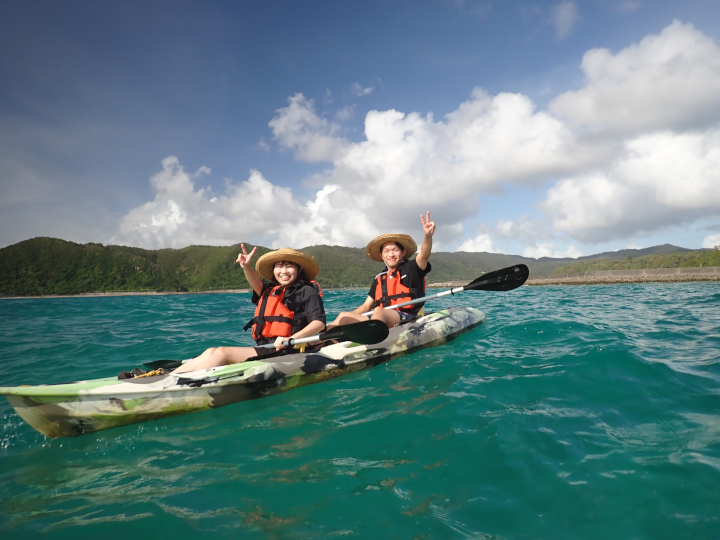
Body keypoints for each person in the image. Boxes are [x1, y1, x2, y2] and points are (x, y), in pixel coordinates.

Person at [173, 245, 326, 374]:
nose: (283, 271)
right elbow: (256, 282)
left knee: (222, 353)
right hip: (267, 348)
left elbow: (318, 323)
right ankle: (167, 377)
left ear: (299, 270)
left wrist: (292, 339)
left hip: (288, 350)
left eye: (289, 266)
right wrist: (246, 266)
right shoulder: (270, 291)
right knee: (211, 351)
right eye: (279, 266)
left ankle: (180, 383)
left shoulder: (307, 291)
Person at [329, 211, 436, 329]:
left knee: (379, 311)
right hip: (380, 319)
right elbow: (366, 307)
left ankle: (372, 337)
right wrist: (349, 319)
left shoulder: (412, 267)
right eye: (386, 251)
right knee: (343, 316)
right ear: (381, 255)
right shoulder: (380, 278)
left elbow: (424, 255)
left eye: (395, 250)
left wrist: (427, 236)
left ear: (403, 253)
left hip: (407, 317)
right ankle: (321, 342)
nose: (391, 254)